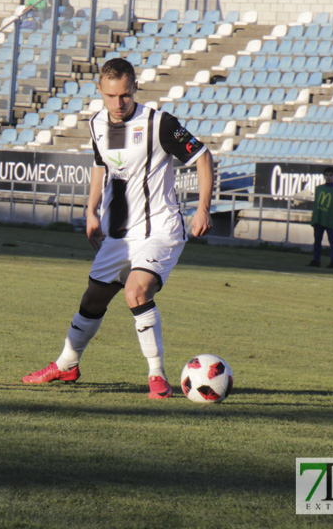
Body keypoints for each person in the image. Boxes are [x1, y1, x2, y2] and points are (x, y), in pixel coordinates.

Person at [21, 58, 213, 400]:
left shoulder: (158, 124)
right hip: (119, 233)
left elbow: (201, 155)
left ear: (135, 88)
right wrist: (91, 210)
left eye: (125, 95)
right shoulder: (96, 124)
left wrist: (202, 208)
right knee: (93, 299)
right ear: (100, 91)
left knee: (136, 291)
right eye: (111, 96)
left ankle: (157, 375)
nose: (118, 103)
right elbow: (99, 165)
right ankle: (66, 364)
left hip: (160, 230)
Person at [308, 167, 333, 269]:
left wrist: (332, 214)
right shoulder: (319, 189)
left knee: (332, 240)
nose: (328, 177)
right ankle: (316, 260)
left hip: (329, 219)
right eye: (326, 175)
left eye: (330, 175)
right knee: (317, 240)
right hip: (319, 218)